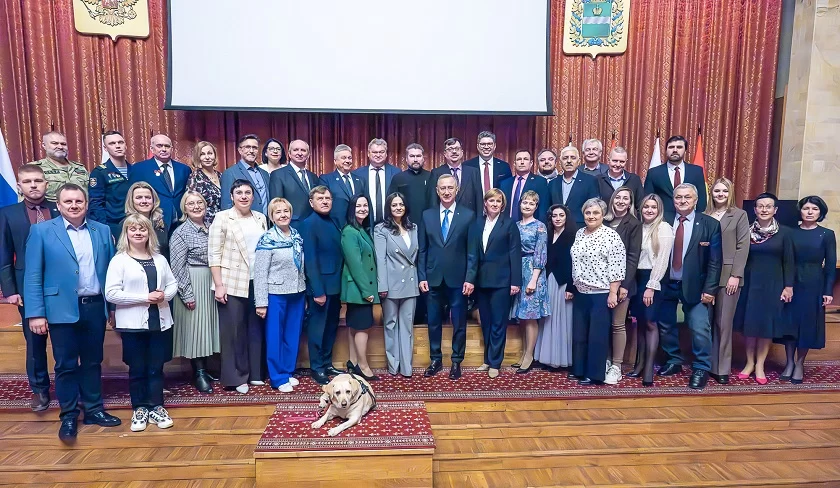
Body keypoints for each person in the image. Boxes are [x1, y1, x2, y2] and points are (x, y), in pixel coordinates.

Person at [23, 183, 120, 442]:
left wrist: (112, 308)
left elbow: (111, 271)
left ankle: (94, 410)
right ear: (59, 204)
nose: (74, 206)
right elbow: (33, 275)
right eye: (68, 202)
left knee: (92, 362)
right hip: (60, 309)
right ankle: (68, 415)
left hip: (95, 306)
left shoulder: (102, 230)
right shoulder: (41, 231)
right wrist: (36, 313)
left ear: (86, 204)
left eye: (79, 201)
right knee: (65, 365)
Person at [105, 214, 178, 432]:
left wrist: (164, 296)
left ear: (149, 233)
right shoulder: (119, 260)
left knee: (156, 367)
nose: (138, 233)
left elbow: (172, 283)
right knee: (137, 368)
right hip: (132, 324)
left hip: (160, 322)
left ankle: (156, 406)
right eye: (133, 229)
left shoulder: (159, 258)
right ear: (126, 233)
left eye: (143, 229)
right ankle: (140, 408)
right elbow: (111, 293)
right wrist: (145, 298)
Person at [0, 164, 60, 411]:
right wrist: (10, 290)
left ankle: (68, 385)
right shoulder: (8, 213)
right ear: (19, 186)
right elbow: (4, 255)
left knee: (65, 340)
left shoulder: (60, 208)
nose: (33, 185)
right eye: (27, 182)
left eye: (38, 180)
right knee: (35, 343)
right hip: (27, 288)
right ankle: (40, 390)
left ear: (46, 183)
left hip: (60, 286)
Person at [657, 184, 722, 390]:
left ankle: (701, 367)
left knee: (699, 327)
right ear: (673, 199)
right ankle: (674, 360)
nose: (682, 201)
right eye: (678, 197)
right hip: (666, 283)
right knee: (665, 325)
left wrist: (710, 290)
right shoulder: (663, 220)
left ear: (695, 200)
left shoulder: (710, 224)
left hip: (696, 285)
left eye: (687, 197)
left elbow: (715, 261)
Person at [208, 179, 268, 394]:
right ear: (232, 197)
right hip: (231, 281)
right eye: (239, 193)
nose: (244, 196)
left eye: (248, 193)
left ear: (253, 196)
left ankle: (255, 373)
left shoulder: (260, 218)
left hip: (256, 280)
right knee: (234, 331)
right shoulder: (222, 218)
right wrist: (219, 284)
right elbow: (214, 254)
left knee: (255, 328)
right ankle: (236, 377)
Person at [418, 174, 478, 380]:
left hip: (459, 280)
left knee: (459, 322)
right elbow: (422, 249)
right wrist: (422, 276)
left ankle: (456, 361)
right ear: (437, 191)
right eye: (442, 188)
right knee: (433, 322)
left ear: (456, 190)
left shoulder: (468, 215)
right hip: (432, 277)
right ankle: (435, 359)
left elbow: (472, 251)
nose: (446, 192)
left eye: (450, 188)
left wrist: (470, 278)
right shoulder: (427, 215)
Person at [733, 193, 794, 385]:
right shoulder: (746, 231)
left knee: (766, 327)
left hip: (773, 285)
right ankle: (749, 363)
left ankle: (760, 365)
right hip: (750, 284)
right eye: (760, 206)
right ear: (755, 209)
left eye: (768, 206)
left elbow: (789, 261)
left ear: (775, 210)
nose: (764, 210)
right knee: (750, 326)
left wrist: (788, 286)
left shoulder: (785, 233)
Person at [569, 198, 626, 384]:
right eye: (588, 213)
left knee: (597, 336)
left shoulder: (610, 236)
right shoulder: (580, 233)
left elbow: (617, 266)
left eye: (595, 213)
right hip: (581, 292)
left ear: (603, 215)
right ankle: (579, 369)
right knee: (580, 334)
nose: (591, 216)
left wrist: (613, 292)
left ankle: (594, 374)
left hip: (600, 293)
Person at [254, 198, 306, 392]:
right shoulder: (267, 239)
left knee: (292, 334)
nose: (283, 215)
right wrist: (261, 302)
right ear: (272, 216)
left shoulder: (296, 235)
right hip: (276, 294)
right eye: (278, 212)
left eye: (286, 211)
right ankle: (277, 378)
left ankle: (287, 371)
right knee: (275, 336)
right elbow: (260, 273)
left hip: (297, 292)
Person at [169, 191, 220, 393]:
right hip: (193, 282)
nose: (196, 206)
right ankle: (198, 373)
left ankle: (207, 369)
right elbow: (177, 268)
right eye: (191, 203)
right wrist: (187, 294)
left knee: (207, 327)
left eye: (200, 202)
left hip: (211, 282)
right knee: (195, 329)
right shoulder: (180, 233)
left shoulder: (212, 228)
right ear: (184, 208)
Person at [784, 196, 836, 383]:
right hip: (792, 282)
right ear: (800, 211)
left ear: (820, 212)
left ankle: (799, 363)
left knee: (806, 324)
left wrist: (828, 291)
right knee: (790, 323)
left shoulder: (827, 234)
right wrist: (787, 285)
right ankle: (789, 362)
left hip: (814, 283)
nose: (810, 212)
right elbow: (787, 260)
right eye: (806, 208)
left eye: (814, 209)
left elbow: (830, 265)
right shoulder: (790, 233)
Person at [471, 189, 521, 379]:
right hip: (482, 281)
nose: (494, 204)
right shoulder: (477, 223)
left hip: (502, 281)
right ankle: (487, 359)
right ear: (485, 203)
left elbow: (515, 253)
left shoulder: (509, 224)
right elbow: (473, 253)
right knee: (486, 322)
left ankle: (495, 363)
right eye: (491, 200)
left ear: (503, 205)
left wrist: (515, 281)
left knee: (499, 323)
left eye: (498, 201)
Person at [704, 178, 750, 384]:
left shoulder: (739, 215)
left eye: (724, 191)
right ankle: (706, 364)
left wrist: (736, 275)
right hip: (706, 276)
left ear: (730, 193)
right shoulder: (704, 214)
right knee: (706, 323)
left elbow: (743, 245)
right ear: (711, 193)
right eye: (717, 191)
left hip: (728, 276)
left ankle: (721, 368)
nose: (720, 194)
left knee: (723, 323)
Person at [627, 195, 673, 386]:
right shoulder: (638, 227)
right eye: (646, 206)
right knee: (639, 321)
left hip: (653, 279)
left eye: (653, 207)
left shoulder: (664, 228)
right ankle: (639, 365)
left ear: (659, 210)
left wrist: (651, 286)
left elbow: (662, 261)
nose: (649, 210)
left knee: (650, 322)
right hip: (637, 278)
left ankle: (648, 370)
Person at [301, 186, 345, 385]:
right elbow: (310, 260)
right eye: (320, 198)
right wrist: (317, 290)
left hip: (335, 285)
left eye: (328, 198)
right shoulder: (309, 224)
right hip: (321, 288)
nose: (325, 201)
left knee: (331, 327)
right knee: (317, 329)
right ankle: (317, 367)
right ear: (312, 203)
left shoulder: (333, 221)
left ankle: (327, 363)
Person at [374, 192, 420, 377]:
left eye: (401, 204)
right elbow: (381, 259)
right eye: (394, 205)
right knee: (390, 325)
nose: (398, 208)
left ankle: (406, 367)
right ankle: (393, 366)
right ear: (389, 208)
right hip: (391, 284)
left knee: (407, 326)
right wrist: (382, 286)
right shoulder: (381, 229)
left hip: (410, 282)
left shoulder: (413, 227)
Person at [602, 186, 641, 385]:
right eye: (618, 197)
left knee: (617, 324)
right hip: (600, 283)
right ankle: (606, 360)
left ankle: (616, 366)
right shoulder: (604, 220)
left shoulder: (633, 224)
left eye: (626, 198)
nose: (621, 201)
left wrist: (624, 285)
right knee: (603, 323)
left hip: (622, 283)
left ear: (630, 203)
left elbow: (633, 256)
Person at [340, 195, 380, 381]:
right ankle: (363, 367)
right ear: (351, 209)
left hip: (360, 288)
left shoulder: (361, 229)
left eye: (365, 205)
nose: (363, 208)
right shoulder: (349, 232)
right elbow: (355, 264)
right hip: (358, 289)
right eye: (358, 206)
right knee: (362, 327)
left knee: (355, 326)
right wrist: (367, 291)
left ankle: (353, 361)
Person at [510, 190, 550, 374]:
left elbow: (541, 254)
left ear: (536, 206)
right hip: (518, 270)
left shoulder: (540, 227)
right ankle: (524, 353)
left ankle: (529, 356)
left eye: (531, 203)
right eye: (524, 202)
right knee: (522, 315)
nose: (527, 206)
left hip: (534, 272)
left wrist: (533, 280)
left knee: (531, 316)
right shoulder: (515, 225)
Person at [535, 204, 576, 370]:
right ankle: (547, 358)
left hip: (564, 283)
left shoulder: (573, 235)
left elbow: (576, 263)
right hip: (549, 280)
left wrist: (571, 287)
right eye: (554, 216)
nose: (557, 218)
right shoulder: (548, 233)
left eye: (561, 215)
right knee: (548, 319)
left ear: (566, 217)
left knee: (563, 321)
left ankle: (562, 360)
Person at [129, 134, 191, 231]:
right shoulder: (139, 168)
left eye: (167, 146)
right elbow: (131, 195)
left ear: (172, 149)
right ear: (152, 149)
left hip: (181, 221)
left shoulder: (184, 169)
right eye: (159, 146)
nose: (164, 149)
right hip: (154, 222)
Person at [643, 135, 707, 222]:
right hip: (662, 220)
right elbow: (647, 199)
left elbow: (701, 200)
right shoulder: (654, 172)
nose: (675, 150)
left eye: (679, 147)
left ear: (685, 150)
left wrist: (698, 221)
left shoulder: (696, 171)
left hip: (689, 220)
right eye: (671, 147)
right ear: (666, 150)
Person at [89, 130, 132, 238]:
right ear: (105, 148)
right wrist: (104, 229)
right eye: (112, 143)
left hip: (135, 222)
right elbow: (96, 204)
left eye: (120, 142)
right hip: (114, 225)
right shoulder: (100, 172)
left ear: (126, 145)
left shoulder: (135, 169)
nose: (117, 146)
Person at [268, 139, 320, 228]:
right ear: (289, 154)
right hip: (290, 226)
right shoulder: (278, 175)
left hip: (314, 225)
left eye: (303, 150)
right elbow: (276, 205)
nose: (299, 153)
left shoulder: (313, 177)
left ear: (308, 155)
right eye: (295, 150)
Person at [29, 131, 89, 202]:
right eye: (55, 143)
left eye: (63, 144)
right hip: (50, 209)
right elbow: (27, 199)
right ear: (44, 145)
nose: (60, 147)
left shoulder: (80, 168)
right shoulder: (34, 169)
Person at [428, 138, 484, 213]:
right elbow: (433, 201)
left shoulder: (474, 172)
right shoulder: (436, 173)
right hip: (445, 216)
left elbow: (479, 200)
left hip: (469, 217)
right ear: (445, 154)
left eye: (457, 149)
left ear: (462, 152)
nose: (454, 151)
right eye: (450, 149)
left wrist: (479, 218)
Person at [548, 146, 600, 227]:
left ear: (578, 161)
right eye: (565, 158)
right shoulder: (552, 183)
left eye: (573, 158)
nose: (569, 161)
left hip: (581, 228)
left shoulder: (590, 181)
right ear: (560, 162)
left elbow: (593, 207)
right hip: (557, 228)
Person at [221, 134, 271, 215]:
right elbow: (226, 205)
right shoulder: (230, 173)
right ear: (240, 150)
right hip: (242, 221)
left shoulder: (265, 173)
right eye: (247, 147)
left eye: (254, 148)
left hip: (266, 221)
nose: (251, 151)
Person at [354, 138, 400, 224]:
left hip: (390, 223)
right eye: (375, 152)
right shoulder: (357, 174)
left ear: (386, 154)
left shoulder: (396, 172)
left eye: (381, 152)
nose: (378, 155)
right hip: (365, 223)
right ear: (368, 154)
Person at [320, 144, 366, 227]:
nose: (347, 161)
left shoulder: (360, 180)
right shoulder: (326, 179)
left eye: (349, 158)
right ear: (335, 161)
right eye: (343, 158)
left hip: (357, 227)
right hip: (336, 226)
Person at [388, 143, 433, 225]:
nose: (415, 159)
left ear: (423, 158)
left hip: (427, 223)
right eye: (412, 156)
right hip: (404, 224)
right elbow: (391, 203)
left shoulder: (431, 177)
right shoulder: (398, 178)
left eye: (418, 156)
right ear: (406, 159)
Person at [500, 149, 549, 223]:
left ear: (531, 163)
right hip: (507, 225)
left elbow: (543, 209)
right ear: (514, 163)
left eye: (525, 159)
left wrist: (540, 226)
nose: (522, 162)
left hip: (530, 226)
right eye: (519, 159)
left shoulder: (540, 182)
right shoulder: (505, 183)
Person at [125, 182, 170, 260]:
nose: (144, 201)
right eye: (139, 197)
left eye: (148, 197)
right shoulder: (126, 225)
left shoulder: (161, 224)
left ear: (154, 200)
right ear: (131, 201)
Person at [464, 131, 512, 195]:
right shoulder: (467, 166)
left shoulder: (504, 167)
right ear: (477, 146)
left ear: (494, 146)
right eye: (483, 144)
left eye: (489, 144)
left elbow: (508, 190)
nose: (486, 147)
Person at [187, 141, 222, 226]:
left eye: (210, 153)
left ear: (215, 155)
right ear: (198, 157)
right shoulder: (195, 177)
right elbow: (191, 205)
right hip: (206, 224)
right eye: (202, 154)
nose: (207, 157)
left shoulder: (221, 175)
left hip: (224, 222)